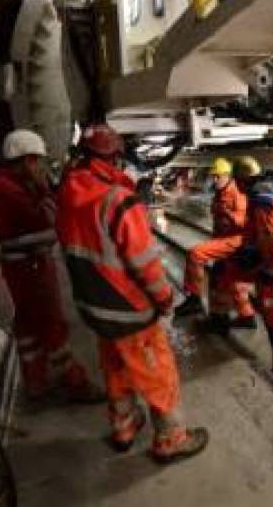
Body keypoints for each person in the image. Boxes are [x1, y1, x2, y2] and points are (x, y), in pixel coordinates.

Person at [55, 123, 209, 463]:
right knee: (157, 373)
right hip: (129, 309)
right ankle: (171, 439)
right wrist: (166, 300)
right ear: (114, 158)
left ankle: (124, 427)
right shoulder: (119, 200)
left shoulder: (67, 191)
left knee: (115, 367)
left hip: (94, 308)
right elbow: (144, 263)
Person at [0, 129, 104, 403]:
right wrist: (46, 190)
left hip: (19, 268)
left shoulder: (0, 187)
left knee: (27, 327)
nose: (38, 167)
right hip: (32, 267)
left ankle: (36, 383)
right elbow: (49, 222)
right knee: (52, 325)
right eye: (36, 161)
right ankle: (75, 383)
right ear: (24, 160)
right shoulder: (9, 192)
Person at [212, 156, 273, 385]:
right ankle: (230, 317)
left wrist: (266, 275)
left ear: (243, 181)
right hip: (269, 266)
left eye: (238, 182)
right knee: (222, 271)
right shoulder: (263, 198)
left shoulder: (262, 204)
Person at [174, 158, 257, 329]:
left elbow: (241, 224)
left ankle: (195, 298)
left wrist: (226, 212)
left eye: (217, 176)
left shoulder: (237, 193)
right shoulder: (220, 192)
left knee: (196, 254)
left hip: (235, 240)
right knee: (229, 280)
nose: (214, 180)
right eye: (213, 176)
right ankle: (246, 316)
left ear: (227, 176)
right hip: (222, 239)